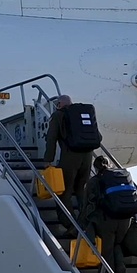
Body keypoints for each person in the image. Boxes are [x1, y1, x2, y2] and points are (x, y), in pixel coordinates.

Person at [81, 156, 133, 273]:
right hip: (125, 219)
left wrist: (82, 224)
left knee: (106, 253)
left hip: (106, 220)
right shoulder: (121, 177)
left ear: (95, 168)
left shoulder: (94, 181)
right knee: (117, 244)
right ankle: (120, 268)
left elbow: (86, 204)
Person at [43, 95, 93, 232]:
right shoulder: (83, 113)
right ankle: (88, 223)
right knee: (82, 191)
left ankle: (70, 224)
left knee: (64, 191)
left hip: (70, 157)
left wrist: (48, 159)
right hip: (87, 157)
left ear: (59, 104)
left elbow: (51, 138)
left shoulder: (59, 115)